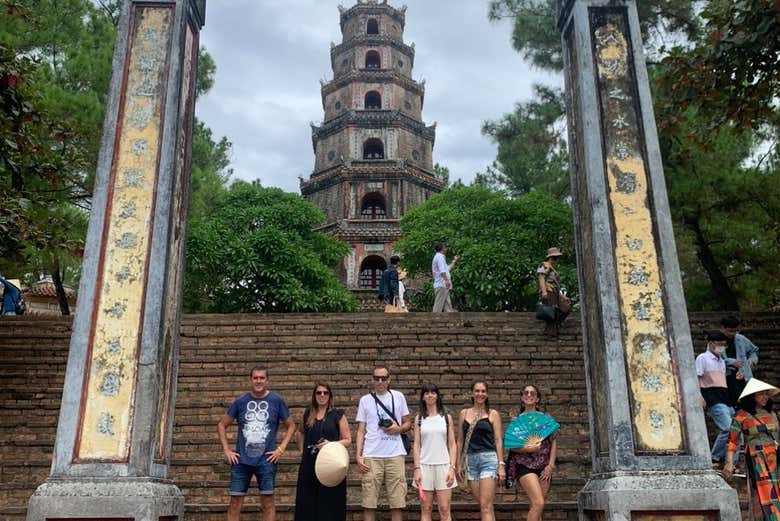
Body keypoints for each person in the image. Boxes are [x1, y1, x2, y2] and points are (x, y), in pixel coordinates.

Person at [217, 366, 295, 521]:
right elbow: (221, 425)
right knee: (235, 502)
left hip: (266, 460)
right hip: (241, 460)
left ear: (267, 380)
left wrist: (281, 448)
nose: (258, 381)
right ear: (250, 380)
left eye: (262, 378)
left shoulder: (276, 400)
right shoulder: (241, 402)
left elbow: (291, 425)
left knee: (267, 502)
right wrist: (227, 450)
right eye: (255, 378)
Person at [355, 365, 411, 521]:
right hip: (372, 454)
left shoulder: (398, 397)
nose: (380, 381)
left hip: (395, 453)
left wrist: (398, 429)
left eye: (383, 378)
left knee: (397, 502)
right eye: (377, 378)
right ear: (372, 380)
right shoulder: (365, 400)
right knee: (369, 502)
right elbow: (361, 430)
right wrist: (358, 455)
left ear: (389, 379)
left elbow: (408, 423)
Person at [722, 378, 780, 520]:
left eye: (766, 393)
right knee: (764, 492)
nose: (765, 397)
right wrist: (729, 463)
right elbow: (732, 442)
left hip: (775, 457)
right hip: (757, 458)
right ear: (751, 396)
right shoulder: (741, 415)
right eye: (760, 394)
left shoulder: (772, 414)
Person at [294, 382, 351, 521]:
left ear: (330, 396)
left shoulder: (338, 415)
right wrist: (302, 450)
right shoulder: (308, 413)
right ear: (314, 396)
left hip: (330, 465)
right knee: (307, 503)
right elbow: (299, 433)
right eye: (319, 393)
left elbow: (347, 440)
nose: (322, 395)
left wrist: (330, 445)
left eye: (325, 393)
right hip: (309, 465)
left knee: (330, 504)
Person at [505, 385, 558, 521]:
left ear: (537, 398)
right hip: (524, 465)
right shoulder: (516, 421)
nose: (529, 395)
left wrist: (550, 466)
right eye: (526, 393)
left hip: (544, 466)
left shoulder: (546, 419)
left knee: (537, 507)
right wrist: (528, 449)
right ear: (522, 398)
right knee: (538, 503)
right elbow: (512, 446)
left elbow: (553, 442)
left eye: (532, 393)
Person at [457, 381, 505, 521]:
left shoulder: (492, 413)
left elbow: (498, 440)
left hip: (488, 459)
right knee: (486, 506)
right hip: (470, 461)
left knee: (485, 506)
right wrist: (458, 463)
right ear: (472, 393)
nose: (480, 394)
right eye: (477, 391)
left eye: (483, 391)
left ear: (487, 393)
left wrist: (501, 464)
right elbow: (460, 440)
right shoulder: (464, 413)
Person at [412, 382, 457, 521]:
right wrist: (417, 468)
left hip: (444, 466)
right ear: (423, 397)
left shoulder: (446, 418)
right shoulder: (419, 419)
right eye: (427, 393)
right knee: (426, 509)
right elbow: (417, 446)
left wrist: (452, 467)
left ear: (437, 396)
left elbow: (452, 444)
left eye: (433, 392)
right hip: (425, 466)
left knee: (444, 509)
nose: (430, 395)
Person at [695, 331, 739, 469]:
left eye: (724, 345)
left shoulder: (721, 361)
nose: (722, 347)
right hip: (713, 398)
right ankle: (714, 457)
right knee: (727, 428)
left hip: (725, 398)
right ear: (712, 343)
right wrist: (699, 396)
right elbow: (696, 377)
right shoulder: (703, 358)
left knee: (736, 430)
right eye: (720, 344)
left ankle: (732, 463)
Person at [721, 315, 759, 405]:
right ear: (723, 328)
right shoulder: (716, 340)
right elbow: (713, 359)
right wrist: (730, 362)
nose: (732, 334)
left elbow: (753, 351)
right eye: (730, 331)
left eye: (735, 331)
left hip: (744, 376)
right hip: (727, 377)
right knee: (733, 405)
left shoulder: (741, 339)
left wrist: (752, 360)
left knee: (748, 404)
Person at [537, 247, 570, 334]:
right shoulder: (545, 265)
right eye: (557, 257)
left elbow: (556, 285)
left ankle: (552, 329)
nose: (558, 260)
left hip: (554, 293)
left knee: (565, 307)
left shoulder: (552, 268)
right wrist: (544, 292)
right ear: (553, 257)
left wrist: (562, 296)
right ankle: (551, 333)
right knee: (551, 311)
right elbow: (541, 278)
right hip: (548, 292)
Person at [431, 242, 458, 312]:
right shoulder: (439, 257)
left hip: (443, 285)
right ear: (442, 248)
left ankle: (450, 321)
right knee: (438, 306)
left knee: (448, 306)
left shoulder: (441, 257)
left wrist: (454, 261)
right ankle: (433, 320)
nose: (446, 249)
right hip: (442, 284)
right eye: (445, 247)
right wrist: (446, 281)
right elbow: (442, 271)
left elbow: (447, 269)